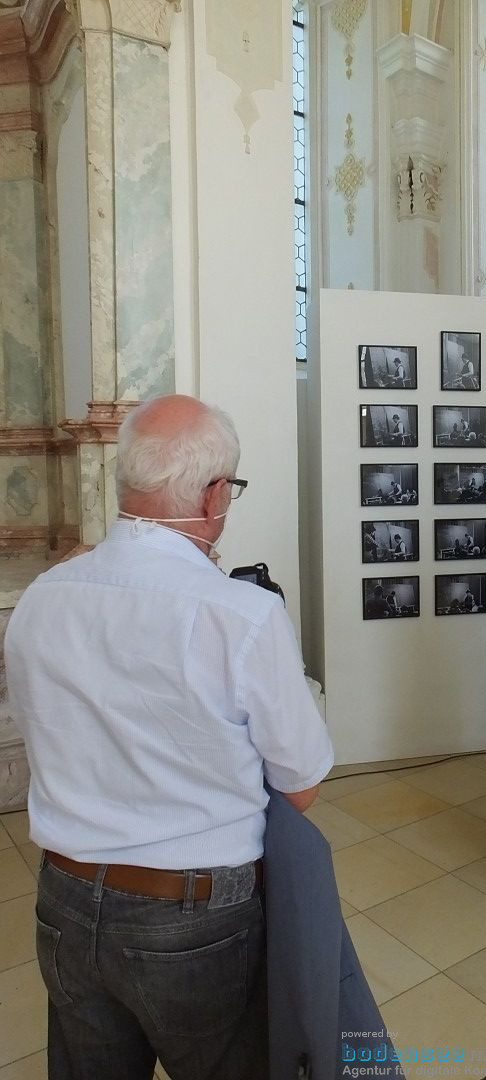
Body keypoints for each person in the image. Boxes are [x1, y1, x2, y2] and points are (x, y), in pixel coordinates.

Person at [3, 394, 334, 1080]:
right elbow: (302, 788)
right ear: (215, 495)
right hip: (190, 915)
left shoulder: (42, 595)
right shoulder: (242, 615)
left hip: (63, 899)